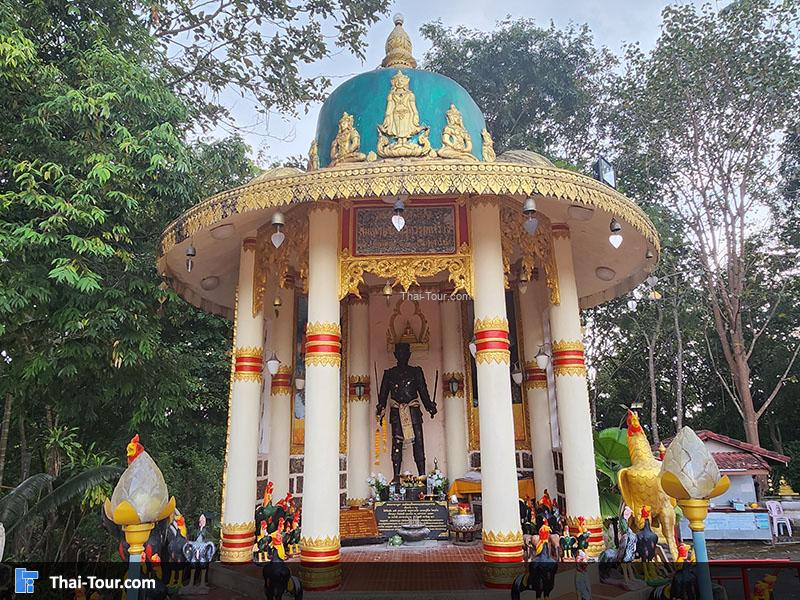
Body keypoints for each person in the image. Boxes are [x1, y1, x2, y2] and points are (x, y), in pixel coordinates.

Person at [377, 343, 436, 480]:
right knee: (397, 443)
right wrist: (380, 407)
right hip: (397, 411)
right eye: (400, 353)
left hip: (413, 411)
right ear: (395, 355)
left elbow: (423, 391)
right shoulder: (389, 374)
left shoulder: (416, 372)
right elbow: (383, 395)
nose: (403, 356)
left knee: (418, 442)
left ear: (409, 355)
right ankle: (396, 476)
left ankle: (422, 475)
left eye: (405, 353)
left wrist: (429, 406)